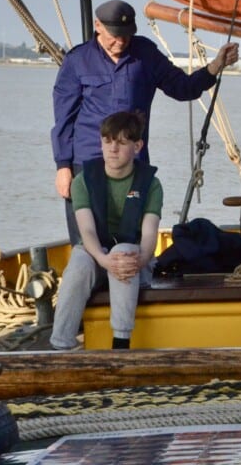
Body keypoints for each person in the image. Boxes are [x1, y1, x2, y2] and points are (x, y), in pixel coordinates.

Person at [51, 0, 239, 241]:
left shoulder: (145, 54)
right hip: (87, 164)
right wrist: (62, 167)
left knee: (129, 242)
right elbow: (63, 118)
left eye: (126, 35)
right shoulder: (77, 60)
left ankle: (131, 278)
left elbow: (183, 88)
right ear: (98, 26)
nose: (120, 41)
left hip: (132, 164)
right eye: (115, 35)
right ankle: (94, 279)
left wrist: (215, 66)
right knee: (88, 244)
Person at [50, 110, 162, 350]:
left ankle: (121, 343)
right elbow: (87, 231)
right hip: (97, 255)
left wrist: (138, 260)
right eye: (107, 141)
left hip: (134, 264)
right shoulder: (83, 181)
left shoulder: (150, 184)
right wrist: (103, 259)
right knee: (80, 259)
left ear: (137, 146)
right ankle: (61, 345)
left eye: (121, 142)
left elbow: (150, 234)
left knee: (124, 251)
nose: (113, 149)